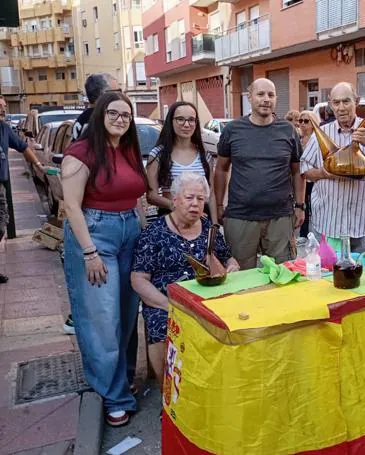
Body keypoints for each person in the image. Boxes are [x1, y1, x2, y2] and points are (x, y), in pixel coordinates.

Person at [61, 91, 148, 427]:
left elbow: (136, 196)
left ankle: (122, 382)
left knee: (127, 317)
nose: (120, 120)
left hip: (130, 233)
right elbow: (71, 207)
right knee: (101, 320)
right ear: (99, 114)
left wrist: (143, 232)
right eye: (114, 113)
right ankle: (113, 397)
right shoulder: (81, 152)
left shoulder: (127, 149)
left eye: (126, 115)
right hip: (95, 235)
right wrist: (89, 252)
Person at [132, 172, 238, 382]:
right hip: (167, 300)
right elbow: (138, 278)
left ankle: (217, 380)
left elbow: (229, 259)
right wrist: (168, 303)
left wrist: (232, 265)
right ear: (175, 199)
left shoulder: (209, 228)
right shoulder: (154, 233)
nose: (195, 204)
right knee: (162, 324)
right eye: (189, 198)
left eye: (200, 199)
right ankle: (169, 388)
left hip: (205, 295)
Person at [300, 82, 365, 253]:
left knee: (363, 274)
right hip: (328, 223)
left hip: (363, 224)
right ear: (331, 104)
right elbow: (305, 170)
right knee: (328, 276)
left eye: (346, 101)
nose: (341, 108)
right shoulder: (321, 134)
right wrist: (323, 173)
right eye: (336, 102)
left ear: (356, 101)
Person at [214, 78, 306, 270]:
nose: (266, 99)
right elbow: (221, 169)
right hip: (240, 216)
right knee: (241, 277)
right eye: (261, 94)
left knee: (283, 274)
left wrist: (300, 205)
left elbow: (297, 171)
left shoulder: (288, 130)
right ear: (250, 97)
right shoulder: (233, 130)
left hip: (280, 217)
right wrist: (219, 204)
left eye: (271, 95)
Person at [64, 73, 121, 336]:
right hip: (96, 222)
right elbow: (74, 201)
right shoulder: (90, 127)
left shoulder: (114, 131)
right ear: (100, 99)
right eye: (116, 91)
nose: (122, 96)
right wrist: (89, 251)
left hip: (118, 222)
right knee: (101, 310)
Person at [146, 101, 216, 222]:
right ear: (170, 122)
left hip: (201, 217)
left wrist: (214, 225)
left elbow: (211, 194)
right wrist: (177, 207)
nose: (186, 124)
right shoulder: (158, 155)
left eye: (191, 120)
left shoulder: (205, 155)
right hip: (171, 217)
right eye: (180, 119)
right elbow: (151, 196)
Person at [0, 96, 45, 284]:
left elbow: (23, 147)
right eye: (0, 106)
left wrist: (38, 164)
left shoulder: (4, 129)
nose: (3, 109)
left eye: (3, 106)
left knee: (1, 224)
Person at [72, 73, 120, 142]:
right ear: (103, 94)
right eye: (117, 92)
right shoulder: (100, 122)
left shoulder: (83, 118)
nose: (121, 96)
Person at [297, 110, 318, 238]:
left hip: (314, 178)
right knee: (303, 206)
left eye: (306, 121)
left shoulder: (317, 139)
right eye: (300, 121)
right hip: (301, 178)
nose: (302, 124)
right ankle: (303, 234)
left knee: (314, 207)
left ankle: (314, 233)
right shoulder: (298, 138)